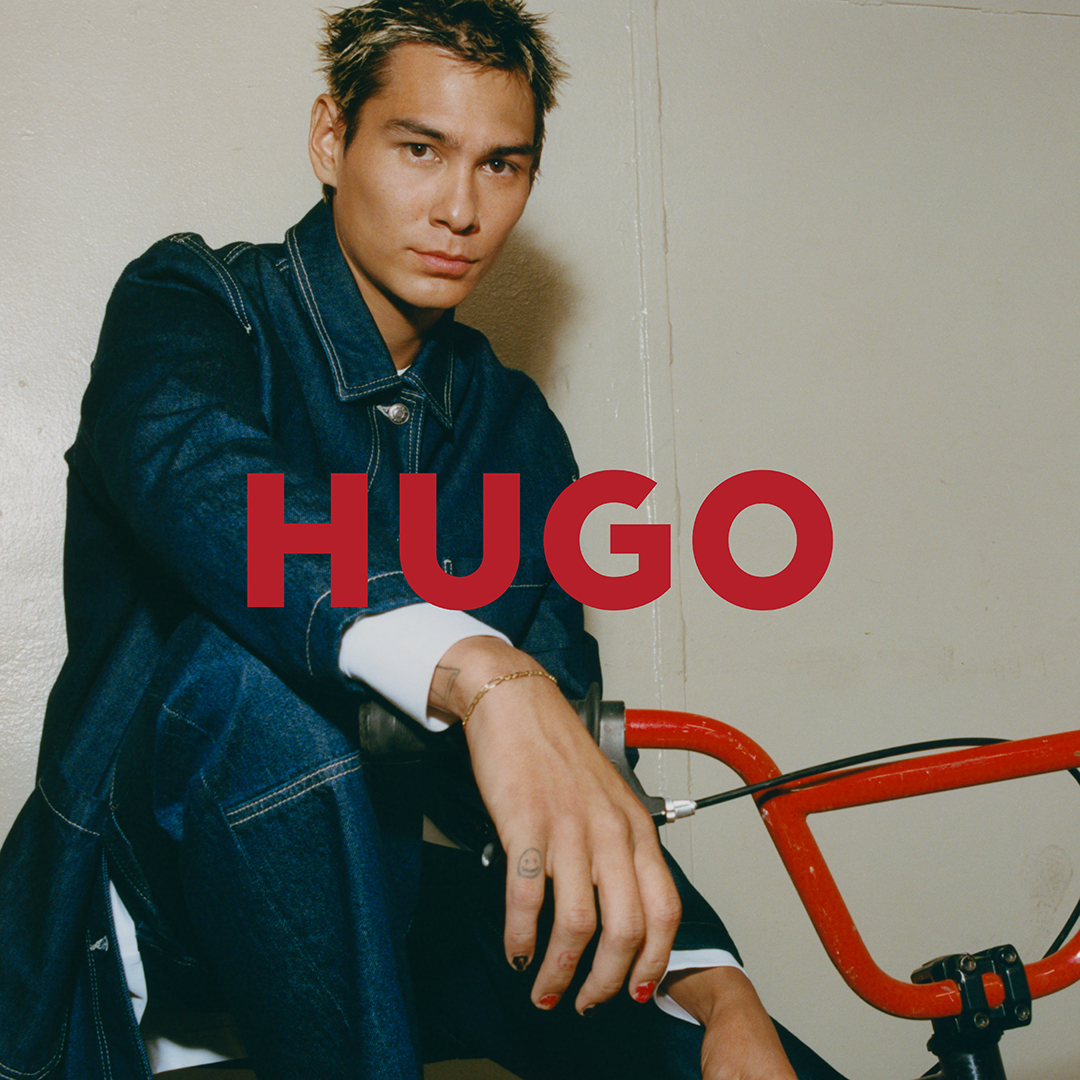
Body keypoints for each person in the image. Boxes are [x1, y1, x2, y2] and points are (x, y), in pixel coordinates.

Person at [0, 2, 846, 1078]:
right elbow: (208, 486)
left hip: (402, 904)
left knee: (736, 1054)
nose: (459, 209)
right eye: (419, 149)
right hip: (165, 904)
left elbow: (562, 752)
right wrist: (475, 669)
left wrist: (716, 983)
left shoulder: (512, 426)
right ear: (331, 139)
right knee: (250, 681)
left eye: (502, 166)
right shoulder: (197, 304)